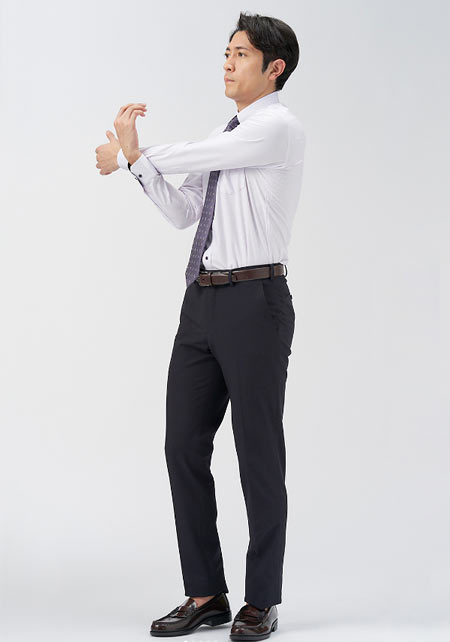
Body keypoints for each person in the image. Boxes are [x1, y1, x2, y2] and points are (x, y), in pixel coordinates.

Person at [95, 11, 305, 640]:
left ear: (275, 68)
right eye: (226, 52)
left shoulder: (276, 129)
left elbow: (199, 155)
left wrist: (131, 153)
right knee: (183, 444)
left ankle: (261, 600)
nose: (228, 63)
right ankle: (206, 592)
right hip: (202, 303)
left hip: (256, 301)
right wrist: (138, 167)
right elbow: (185, 209)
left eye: (241, 54)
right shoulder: (226, 134)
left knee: (257, 451)